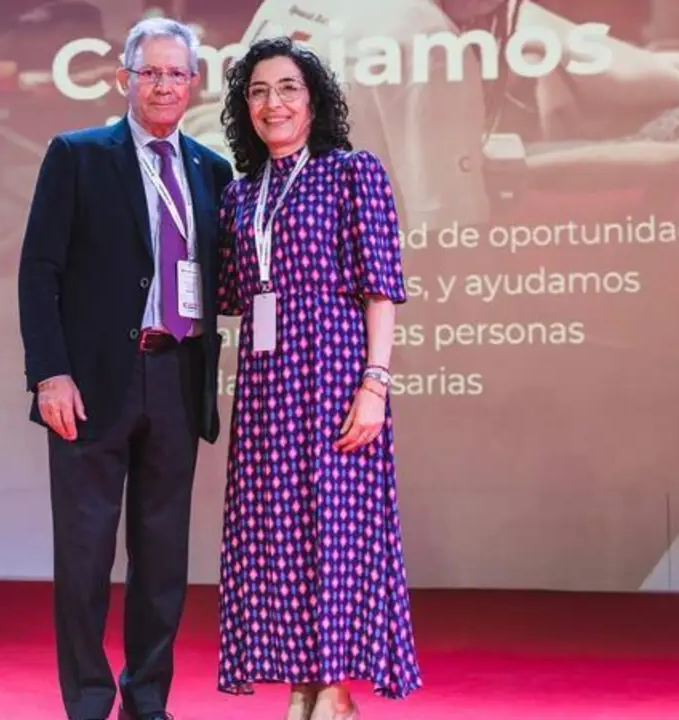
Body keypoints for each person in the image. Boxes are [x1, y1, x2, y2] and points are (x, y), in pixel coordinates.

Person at [16, 16, 234, 720]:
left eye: (177, 73)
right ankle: (85, 699)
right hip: (89, 385)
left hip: (177, 376)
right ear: (124, 79)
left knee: (163, 560)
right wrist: (50, 372)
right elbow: (37, 273)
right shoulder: (78, 155)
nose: (164, 85)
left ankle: (148, 700)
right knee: (84, 557)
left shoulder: (212, 169)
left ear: (194, 83)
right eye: (151, 72)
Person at [214, 36, 423, 720]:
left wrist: (374, 383)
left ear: (314, 101)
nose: (273, 103)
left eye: (287, 89)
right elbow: (226, 293)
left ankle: (334, 688)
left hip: (336, 374)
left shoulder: (350, 172)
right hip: (266, 385)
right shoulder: (242, 193)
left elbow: (381, 291)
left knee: (337, 530)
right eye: (258, 91)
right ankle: (300, 679)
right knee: (277, 532)